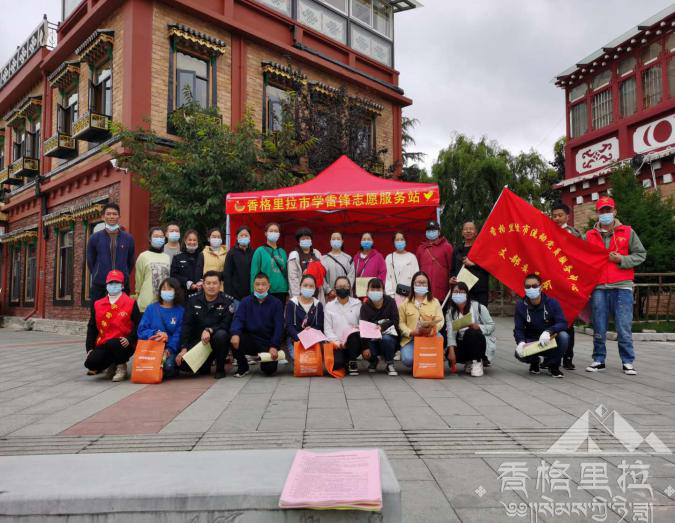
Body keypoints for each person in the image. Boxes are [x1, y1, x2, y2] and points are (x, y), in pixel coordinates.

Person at [584, 196, 646, 376]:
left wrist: (622, 260)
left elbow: (640, 254)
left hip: (622, 285)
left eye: (608, 210)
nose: (605, 214)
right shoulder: (589, 235)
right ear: (597, 213)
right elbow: (581, 257)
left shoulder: (627, 231)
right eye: (602, 211)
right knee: (599, 325)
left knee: (623, 326)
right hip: (599, 287)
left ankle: (627, 361)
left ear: (614, 211)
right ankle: (598, 359)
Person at [84, 270, 141, 382]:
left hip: (123, 344)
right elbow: (92, 326)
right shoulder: (98, 304)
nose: (113, 285)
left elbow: (139, 324)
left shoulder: (130, 303)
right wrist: (90, 348)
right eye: (110, 283)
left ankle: (121, 366)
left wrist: (130, 339)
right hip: (104, 343)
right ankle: (112, 363)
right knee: (90, 363)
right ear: (106, 285)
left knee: (114, 343)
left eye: (116, 282)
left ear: (122, 285)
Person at [177, 271, 235, 379]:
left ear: (220, 284)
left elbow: (226, 324)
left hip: (217, 340)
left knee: (221, 335)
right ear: (203, 285)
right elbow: (187, 325)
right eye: (208, 283)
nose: (211, 286)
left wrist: (210, 330)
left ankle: (220, 369)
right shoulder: (193, 300)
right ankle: (206, 365)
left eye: (215, 283)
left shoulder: (227, 301)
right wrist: (184, 348)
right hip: (199, 341)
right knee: (183, 365)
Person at [513, 274, 569, 378]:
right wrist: (520, 342)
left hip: (549, 340)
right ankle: (534, 362)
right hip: (532, 341)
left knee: (564, 336)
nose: (531, 289)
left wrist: (549, 331)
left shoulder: (552, 303)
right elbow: (518, 329)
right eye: (528, 286)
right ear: (524, 288)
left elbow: (563, 323)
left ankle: (553, 365)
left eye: (534, 286)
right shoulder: (521, 305)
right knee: (518, 353)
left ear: (541, 287)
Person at [230, 272, 285, 377]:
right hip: (250, 339)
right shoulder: (245, 301)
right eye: (257, 284)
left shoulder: (276, 303)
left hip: (267, 342)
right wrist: (235, 333)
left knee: (269, 370)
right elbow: (238, 319)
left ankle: (261, 359)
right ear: (253, 286)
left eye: (263, 284)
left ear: (269, 286)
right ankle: (243, 367)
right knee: (234, 336)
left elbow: (279, 327)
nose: (260, 287)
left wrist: (274, 346)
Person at [551, 203, 581, 370]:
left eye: (560, 215)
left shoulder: (575, 234)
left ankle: (568, 357)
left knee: (567, 321)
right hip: (551, 283)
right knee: (549, 321)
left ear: (567, 216)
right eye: (554, 215)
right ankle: (550, 356)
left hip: (568, 284)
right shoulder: (545, 231)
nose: (557, 218)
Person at [86, 202, 135, 302]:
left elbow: (130, 261)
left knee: (122, 311)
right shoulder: (94, 238)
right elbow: (91, 261)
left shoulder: (128, 238)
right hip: (100, 285)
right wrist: (98, 273)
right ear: (103, 217)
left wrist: (124, 274)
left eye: (114, 214)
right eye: (108, 214)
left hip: (121, 284)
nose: (111, 216)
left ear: (119, 216)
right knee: (97, 311)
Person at [137, 277, 185, 378]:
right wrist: (156, 333)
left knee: (168, 367)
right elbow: (141, 330)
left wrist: (169, 349)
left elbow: (179, 334)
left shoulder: (180, 311)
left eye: (169, 289)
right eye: (164, 289)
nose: (166, 291)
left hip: (169, 350)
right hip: (151, 348)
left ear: (176, 291)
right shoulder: (151, 308)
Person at [446, 282, 495, 377]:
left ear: (467, 294)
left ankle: (477, 362)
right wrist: (451, 350)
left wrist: (478, 326)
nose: (458, 294)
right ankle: (468, 361)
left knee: (471, 333)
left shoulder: (478, 307)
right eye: (455, 292)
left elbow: (492, 326)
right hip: (462, 342)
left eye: (461, 292)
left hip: (479, 341)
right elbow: (450, 332)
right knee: (450, 351)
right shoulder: (450, 312)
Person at [398, 271, 445, 369]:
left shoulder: (435, 302)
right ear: (413, 284)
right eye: (418, 283)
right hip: (411, 339)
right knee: (408, 359)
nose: (421, 285)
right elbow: (401, 323)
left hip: (430, 336)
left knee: (440, 339)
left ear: (428, 285)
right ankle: (420, 365)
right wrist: (411, 332)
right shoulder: (405, 303)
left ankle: (429, 364)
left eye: (424, 283)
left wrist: (431, 330)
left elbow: (440, 320)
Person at [324, 276, 364, 376]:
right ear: (335, 289)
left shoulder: (357, 304)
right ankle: (345, 361)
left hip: (353, 342)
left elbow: (362, 325)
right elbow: (327, 330)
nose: (342, 289)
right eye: (340, 286)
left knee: (354, 335)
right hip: (336, 344)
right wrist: (338, 343)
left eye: (345, 286)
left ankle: (352, 362)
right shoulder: (329, 306)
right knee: (337, 364)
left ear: (350, 288)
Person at [359, 278, 399, 376]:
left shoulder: (390, 302)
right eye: (372, 289)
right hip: (372, 338)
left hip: (389, 337)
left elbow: (395, 321)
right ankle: (373, 361)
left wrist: (382, 327)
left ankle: (390, 363)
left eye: (378, 289)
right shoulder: (365, 307)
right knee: (365, 349)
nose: (375, 292)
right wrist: (365, 348)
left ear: (383, 290)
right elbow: (363, 327)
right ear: (367, 291)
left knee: (386, 339)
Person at [285, 274, 324, 361]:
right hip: (295, 339)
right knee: (299, 359)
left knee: (314, 359)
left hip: (313, 338)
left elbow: (320, 325)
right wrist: (300, 337)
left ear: (315, 288)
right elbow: (289, 326)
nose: (308, 288)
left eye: (311, 286)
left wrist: (311, 330)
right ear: (300, 286)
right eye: (305, 285)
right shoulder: (291, 304)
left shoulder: (318, 305)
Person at [450, 221, 490, 307]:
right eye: (466, 229)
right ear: (462, 232)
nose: (468, 231)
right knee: (462, 313)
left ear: (476, 232)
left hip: (479, 291)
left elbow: (489, 266)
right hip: (462, 291)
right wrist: (452, 278)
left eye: (471, 229)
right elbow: (453, 269)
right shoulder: (457, 250)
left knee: (479, 314)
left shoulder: (481, 248)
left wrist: (473, 264)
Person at [134, 227, 171, 312]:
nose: (159, 238)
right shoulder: (143, 256)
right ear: (150, 239)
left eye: (161, 236)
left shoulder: (167, 257)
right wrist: (137, 293)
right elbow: (139, 279)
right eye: (156, 236)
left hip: (164, 301)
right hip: (146, 303)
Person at [250, 222, 288, 303]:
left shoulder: (282, 252)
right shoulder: (260, 251)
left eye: (276, 231)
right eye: (271, 231)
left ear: (279, 234)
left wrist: (288, 290)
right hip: (265, 290)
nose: (273, 233)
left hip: (282, 290)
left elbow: (287, 272)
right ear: (266, 233)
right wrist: (253, 291)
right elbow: (254, 273)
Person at [416, 221, 453, 302]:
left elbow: (451, 268)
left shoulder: (447, 246)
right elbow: (417, 269)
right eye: (429, 230)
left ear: (439, 232)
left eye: (433, 230)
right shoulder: (421, 248)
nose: (431, 232)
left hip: (441, 292)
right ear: (426, 233)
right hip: (424, 291)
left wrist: (452, 288)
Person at [288, 227, 324, 300]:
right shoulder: (294, 255)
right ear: (298, 241)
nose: (306, 240)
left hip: (317, 293)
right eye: (303, 239)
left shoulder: (317, 253)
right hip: (301, 293)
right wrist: (296, 297)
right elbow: (293, 278)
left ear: (311, 240)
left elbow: (322, 274)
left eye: (308, 238)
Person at [223, 225, 254, 308]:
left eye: (246, 235)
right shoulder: (231, 253)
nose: (244, 237)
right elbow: (227, 275)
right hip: (235, 296)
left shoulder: (254, 252)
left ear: (250, 237)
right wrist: (228, 296)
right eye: (241, 235)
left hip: (251, 295)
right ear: (237, 237)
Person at [321, 231, 355, 301]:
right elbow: (321, 276)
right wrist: (328, 290)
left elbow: (351, 276)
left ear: (342, 241)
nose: (335, 240)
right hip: (329, 297)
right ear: (330, 241)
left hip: (345, 296)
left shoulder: (348, 258)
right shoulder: (323, 258)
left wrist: (344, 290)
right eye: (333, 239)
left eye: (338, 239)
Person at [385, 232, 419, 299]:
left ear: (405, 241)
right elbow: (387, 278)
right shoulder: (389, 257)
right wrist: (391, 295)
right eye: (397, 240)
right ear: (394, 242)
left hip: (409, 295)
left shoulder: (412, 257)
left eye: (402, 239)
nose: (399, 241)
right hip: (393, 296)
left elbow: (416, 277)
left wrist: (412, 294)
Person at [171, 229, 203, 298]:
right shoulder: (177, 257)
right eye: (190, 240)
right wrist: (188, 283)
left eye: (194, 240)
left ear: (197, 242)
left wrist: (202, 281)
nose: (192, 242)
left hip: (200, 294)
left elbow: (206, 272)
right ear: (185, 241)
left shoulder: (202, 256)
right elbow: (174, 275)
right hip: (183, 294)